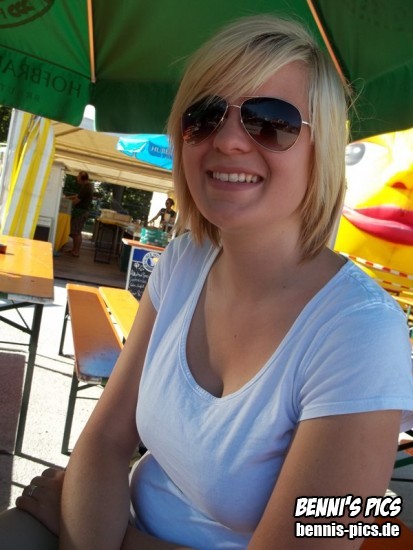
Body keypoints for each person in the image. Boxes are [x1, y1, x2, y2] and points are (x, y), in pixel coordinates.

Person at [1, 14, 413, 549]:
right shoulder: (183, 261)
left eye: (271, 120)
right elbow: (105, 439)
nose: (229, 139)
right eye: (204, 116)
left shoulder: (365, 334)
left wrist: (107, 536)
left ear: (323, 148)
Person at [64, 171, 94, 257]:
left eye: (78, 177)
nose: (77, 178)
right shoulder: (87, 186)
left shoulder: (86, 188)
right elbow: (78, 196)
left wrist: (66, 204)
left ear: (82, 179)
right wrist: (67, 197)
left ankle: (76, 251)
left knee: (76, 233)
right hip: (82, 212)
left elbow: (76, 201)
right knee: (76, 232)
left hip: (81, 212)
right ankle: (74, 250)